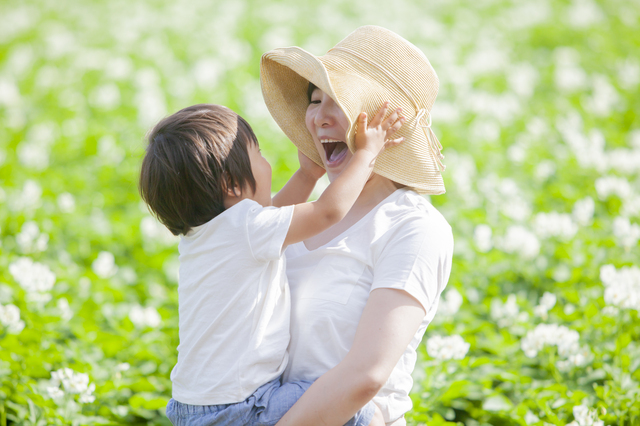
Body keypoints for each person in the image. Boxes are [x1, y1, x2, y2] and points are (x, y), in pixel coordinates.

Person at [139, 102, 404, 425]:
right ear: (231, 185)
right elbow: (326, 212)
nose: (267, 163)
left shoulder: (208, 235)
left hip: (194, 407)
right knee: (353, 408)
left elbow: (274, 214)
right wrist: (365, 154)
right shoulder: (245, 228)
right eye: (259, 154)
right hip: (241, 408)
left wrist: (308, 174)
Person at [260, 25, 454, 425]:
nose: (318, 118)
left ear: (388, 128)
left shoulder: (413, 228)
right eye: (315, 100)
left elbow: (366, 376)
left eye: (342, 103)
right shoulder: (306, 214)